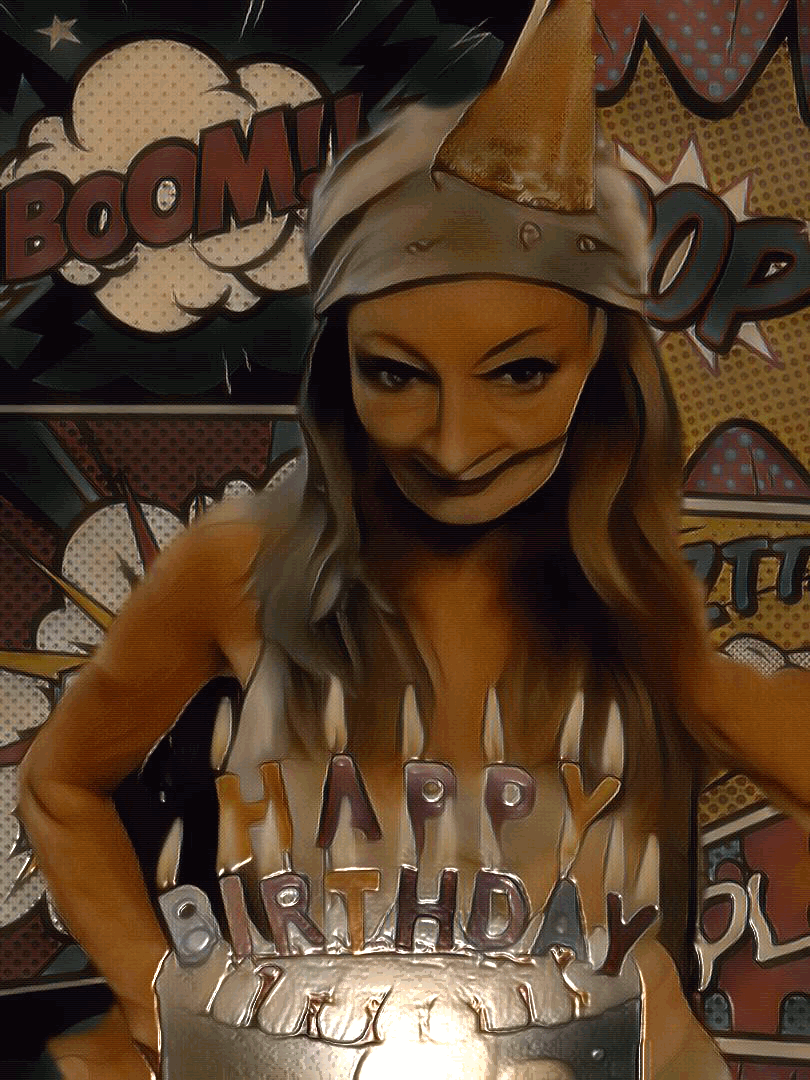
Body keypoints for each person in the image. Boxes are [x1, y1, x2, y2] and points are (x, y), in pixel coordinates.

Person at [16, 1, 810, 1078]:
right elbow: (61, 788)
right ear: (337, 372)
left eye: (521, 373)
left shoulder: (641, 605)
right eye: (395, 374)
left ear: (602, 368)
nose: (453, 444)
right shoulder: (237, 566)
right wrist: (159, 1004)